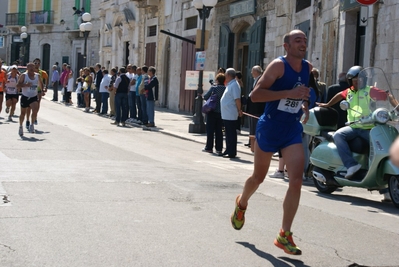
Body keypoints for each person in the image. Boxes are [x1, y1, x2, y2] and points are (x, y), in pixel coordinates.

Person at [231, 30, 312, 256]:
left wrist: (303, 103)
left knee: (296, 180)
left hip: (291, 129)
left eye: (304, 40)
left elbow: (301, 94)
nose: (302, 44)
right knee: (259, 177)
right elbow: (255, 96)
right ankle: (242, 202)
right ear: (286, 46)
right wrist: (289, 92)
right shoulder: (278, 66)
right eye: (298, 40)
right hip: (270, 127)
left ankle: (284, 234)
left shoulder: (307, 68)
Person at [317, 65, 398, 179]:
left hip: (369, 127)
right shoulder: (348, 91)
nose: (356, 82)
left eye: (359, 80)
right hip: (353, 126)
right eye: (354, 81)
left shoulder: (369, 90)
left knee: (381, 145)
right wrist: (327, 104)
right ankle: (351, 165)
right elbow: (339, 95)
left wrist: (397, 106)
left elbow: (387, 95)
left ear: (364, 80)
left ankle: (380, 174)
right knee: (339, 135)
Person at [16, 62, 43, 135]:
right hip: (25, 96)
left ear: (35, 68)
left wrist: (42, 91)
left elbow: (41, 84)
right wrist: (25, 85)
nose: (31, 68)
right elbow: (18, 85)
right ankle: (21, 126)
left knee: (35, 110)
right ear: (27, 68)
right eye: (30, 67)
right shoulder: (24, 76)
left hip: (33, 97)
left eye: (32, 67)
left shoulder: (37, 76)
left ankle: (32, 125)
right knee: (23, 113)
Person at [220, 68, 242, 158]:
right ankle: (228, 149)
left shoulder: (234, 85)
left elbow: (237, 99)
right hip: (226, 114)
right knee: (228, 133)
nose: (225, 75)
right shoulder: (230, 84)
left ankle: (232, 152)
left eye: (225, 74)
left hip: (230, 113)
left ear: (228, 75)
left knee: (231, 133)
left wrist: (239, 109)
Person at [202, 73, 226, 155]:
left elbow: (205, 96)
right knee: (219, 131)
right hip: (221, 112)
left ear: (217, 80)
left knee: (210, 130)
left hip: (212, 111)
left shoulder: (214, 88)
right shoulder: (225, 89)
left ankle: (209, 147)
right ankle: (219, 149)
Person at [245, 65, 264, 151]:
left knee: (255, 125)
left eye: (253, 71)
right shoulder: (256, 79)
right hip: (253, 108)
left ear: (256, 72)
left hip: (257, 108)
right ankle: (251, 141)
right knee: (252, 125)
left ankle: (255, 143)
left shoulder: (260, 79)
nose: (251, 73)